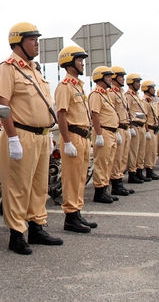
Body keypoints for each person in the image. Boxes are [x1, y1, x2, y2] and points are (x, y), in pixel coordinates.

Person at [0, 22, 62, 255]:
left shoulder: (34, 70)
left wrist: (49, 134)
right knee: (18, 186)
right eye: (32, 39)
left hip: (41, 136)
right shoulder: (8, 68)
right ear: (19, 42)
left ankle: (37, 227)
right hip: (20, 134)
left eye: (37, 39)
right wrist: (12, 138)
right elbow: (2, 105)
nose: (37, 44)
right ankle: (16, 234)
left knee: (39, 185)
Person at [54, 45, 97, 233]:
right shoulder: (65, 87)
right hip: (73, 136)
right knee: (71, 179)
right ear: (70, 62)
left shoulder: (78, 86)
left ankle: (77, 212)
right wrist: (67, 140)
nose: (82, 64)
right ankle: (70, 217)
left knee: (81, 178)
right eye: (79, 60)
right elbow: (61, 115)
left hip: (83, 137)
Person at [88, 66, 121, 204]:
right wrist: (99, 134)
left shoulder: (105, 94)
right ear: (100, 77)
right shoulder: (96, 94)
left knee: (109, 162)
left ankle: (105, 188)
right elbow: (95, 115)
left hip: (111, 132)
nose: (110, 79)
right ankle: (100, 191)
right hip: (103, 131)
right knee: (102, 162)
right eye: (107, 77)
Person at [107, 66, 135, 196]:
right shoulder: (111, 93)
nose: (123, 79)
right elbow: (112, 112)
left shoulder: (121, 93)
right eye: (121, 76)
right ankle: (116, 184)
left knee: (123, 157)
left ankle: (120, 181)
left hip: (125, 127)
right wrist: (116, 129)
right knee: (117, 158)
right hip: (117, 128)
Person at [125, 73, 150, 183]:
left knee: (141, 151)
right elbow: (127, 111)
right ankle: (132, 172)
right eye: (137, 82)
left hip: (141, 126)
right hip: (134, 125)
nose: (139, 84)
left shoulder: (137, 96)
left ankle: (140, 171)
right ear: (131, 82)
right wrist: (130, 126)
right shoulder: (128, 96)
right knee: (134, 152)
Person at [141, 80, 159, 180]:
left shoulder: (151, 101)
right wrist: (147, 131)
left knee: (153, 151)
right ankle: (149, 170)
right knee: (149, 152)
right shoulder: (145, 101)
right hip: (149, 129)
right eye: (152, 88)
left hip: (154, 129)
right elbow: (144, 117)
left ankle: (151, 169)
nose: (154, 90)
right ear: (146, 89)